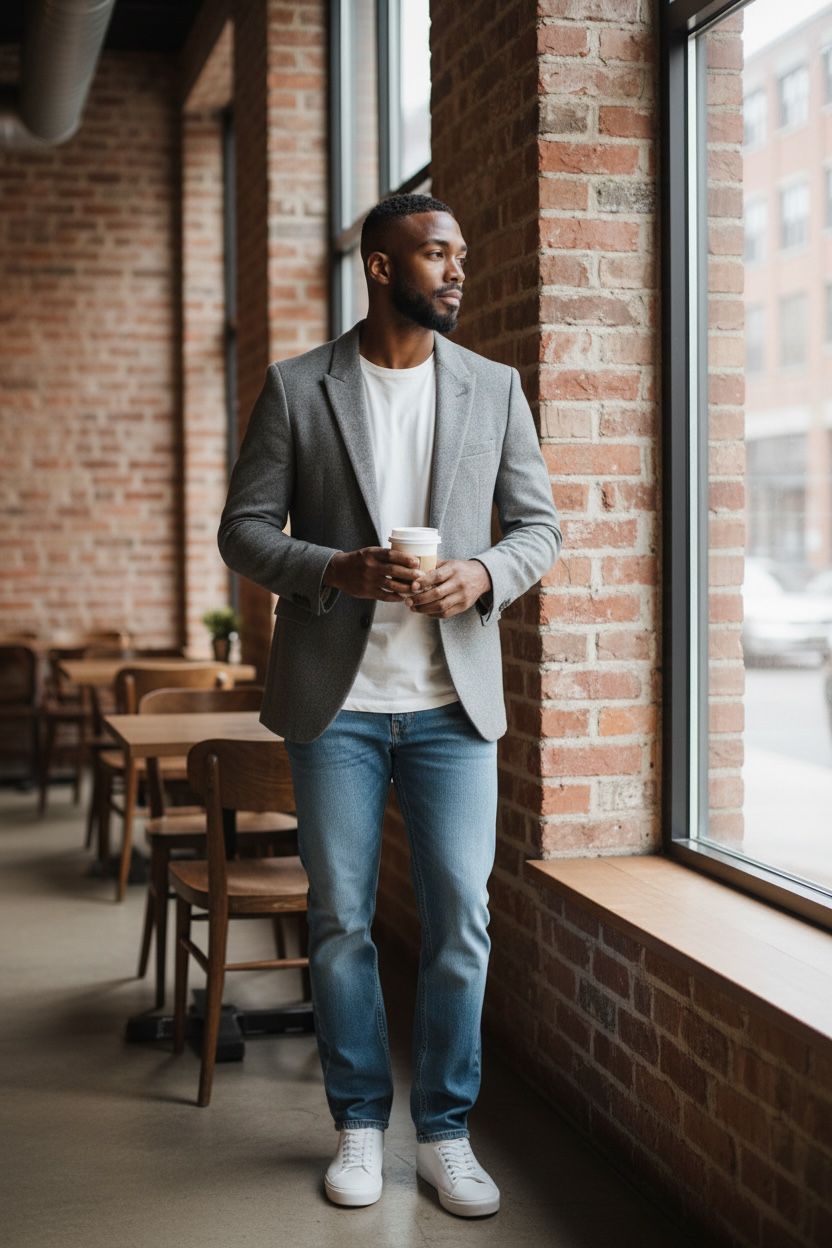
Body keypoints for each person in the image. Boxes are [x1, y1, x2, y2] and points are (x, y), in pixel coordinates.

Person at [218, 193, 561, 1217]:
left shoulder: (494, 387)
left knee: (461, 917)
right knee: (342, 922)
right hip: (339, 710)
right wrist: (335, 569)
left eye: (461, 252)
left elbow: (538, 528)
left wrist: (484, 575)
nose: (457, 270)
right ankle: (359, 1125)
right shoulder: (296, 388)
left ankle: (446, 1133)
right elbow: (243, 532)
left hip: (454, 708)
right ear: (379, 266)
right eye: (437, 254)